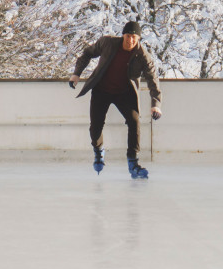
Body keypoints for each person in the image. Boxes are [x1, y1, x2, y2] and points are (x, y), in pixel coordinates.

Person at [69, 21, 162, 179]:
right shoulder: (108, 43)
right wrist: (77, 73)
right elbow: (87, 53)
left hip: (125, 93)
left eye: (134, 37)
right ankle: (98, 152)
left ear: (138, 38)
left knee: (134, 122)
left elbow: (153, 79)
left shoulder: (143, 56)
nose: (130, 40)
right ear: (123, 35)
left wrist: (156, 104)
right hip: (101, 90)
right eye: (127, 36)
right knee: (96, 126)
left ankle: (133, 162)